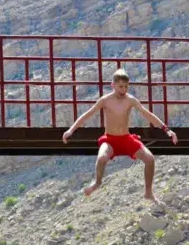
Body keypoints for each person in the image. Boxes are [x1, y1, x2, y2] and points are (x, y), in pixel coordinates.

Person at [62, 68, 177, 201]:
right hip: (110, 140)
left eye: (126, 87)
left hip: (126, 139)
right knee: (101, 158)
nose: (123, 90)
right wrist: (71, 130)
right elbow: (87, 115)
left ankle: (148, 192)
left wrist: (166, 129)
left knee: (150, 159)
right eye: (120, 87)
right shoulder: (105, 100)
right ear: (113, 85)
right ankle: (98, 183)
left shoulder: (131, 100)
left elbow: (147, 114)